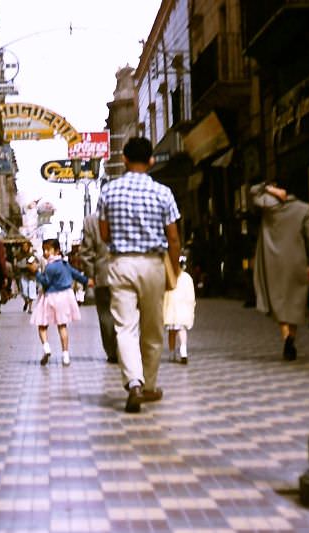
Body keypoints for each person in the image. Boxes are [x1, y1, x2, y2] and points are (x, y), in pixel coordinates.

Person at [97, 137, 181, 414]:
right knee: (153, 329)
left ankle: (133, 382)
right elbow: (173, 238)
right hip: (152, 265)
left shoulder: (108, 192)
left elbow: (104, 234)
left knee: (125, 327)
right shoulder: (163, 192)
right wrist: (175, 270)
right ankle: (148, 386)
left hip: (121, 264)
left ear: (124, 159)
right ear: (151, 160)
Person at [250, 180, 309, 361]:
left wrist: (268, 187)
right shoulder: (305, 209)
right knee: (295, 302)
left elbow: (253, 191)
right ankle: (292, 338)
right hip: (298, 260)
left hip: (273, 262)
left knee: (279, 302)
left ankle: (287, 336)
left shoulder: (268, 204)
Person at [29, 238, 93, 367]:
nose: (45, 252)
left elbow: (45, 281)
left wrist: (35, 272)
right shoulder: (65, 264)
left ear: (56, 250)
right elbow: (75, 274)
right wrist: (86, 281)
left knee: (42, 325)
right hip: (65, 297)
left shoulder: (50, 266)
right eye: (44, 250)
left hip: (50, 297)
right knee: (62, 326)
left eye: (48, 249)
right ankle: (65, 356)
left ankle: (46, 348)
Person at [81, 211, 117, 363]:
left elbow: (86, 252)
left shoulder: (91, 220)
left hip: (104, 275)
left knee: (106, 315)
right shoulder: (128, 210)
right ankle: (126, 349)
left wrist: (90, 275)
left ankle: (112, 352)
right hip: (129, 272)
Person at [163, 258, 196, 364]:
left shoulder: (168, 276)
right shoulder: (187, 277)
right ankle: (183, 351)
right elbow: (191, 294)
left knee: (171, 332)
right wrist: (191, 306)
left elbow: (164, 293)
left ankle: (172, 353)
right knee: (182, 330)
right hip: (183, 308)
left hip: (171, 309)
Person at [14, 241, 39, 313]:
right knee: (24, 292)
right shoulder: (19, 255)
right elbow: (17, 265)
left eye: (26, 246)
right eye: (24, 246)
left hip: (31, 275)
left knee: (31, 291)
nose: (25, 248)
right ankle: (26, 301)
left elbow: (36, 263)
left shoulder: (32, 255)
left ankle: (30, 308)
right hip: (23, 275)